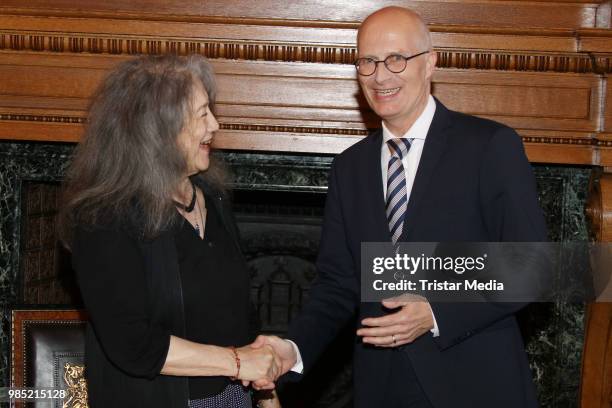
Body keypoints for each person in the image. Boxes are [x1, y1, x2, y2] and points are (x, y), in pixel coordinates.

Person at [253, 6, 547, 408]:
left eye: (396, 59)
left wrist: (435, 312)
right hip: (383, 388)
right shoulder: (349, 167)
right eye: (367, 62)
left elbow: (531, 265)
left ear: (430, 64)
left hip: (477, 384)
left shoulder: (489, 147)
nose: (380, 76)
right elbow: (339, 284)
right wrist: (293, 348)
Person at [59, 54, 281, 408]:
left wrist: (266, 393)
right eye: (201, 115)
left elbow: (238, 311)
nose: (215, 125)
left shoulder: (213, 198)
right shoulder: (102, 219)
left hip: (233, 397)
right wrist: (238, 362)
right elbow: (134, 345)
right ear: (157, 130)